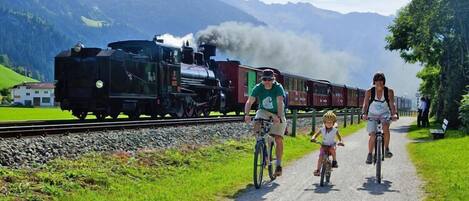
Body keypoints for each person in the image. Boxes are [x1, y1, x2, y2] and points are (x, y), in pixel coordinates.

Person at [244, 69, 287, 176]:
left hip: (278, 112)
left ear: (273, 80)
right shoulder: (258, 87)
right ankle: (262, 148)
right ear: (262, 80)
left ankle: (278, 165)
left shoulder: (278, 87)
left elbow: (280, 102)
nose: (267, 82)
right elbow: (250, 101)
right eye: (265, 79)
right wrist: (247, 114)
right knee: (257, 127)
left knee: (278, 138)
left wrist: (278, 117)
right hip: (263, 111)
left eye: (269, 80)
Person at [361, 72, 398, 164]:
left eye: (381, 80)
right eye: (377, 80)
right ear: (374, 82)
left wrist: (394, 114)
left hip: (384, 114)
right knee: (373, 135)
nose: (379, 82)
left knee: (385, 128)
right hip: (372, 114)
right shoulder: (369, 91)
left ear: (384, 81)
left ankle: (386, 149)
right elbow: (365, 104)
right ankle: (370, 154)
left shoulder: (389, 91)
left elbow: (392, 103)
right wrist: (364, 114)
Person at [311, 111, 344, 176]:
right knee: (320, 157)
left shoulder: (335, 130)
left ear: (333, 123)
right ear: (324, 123)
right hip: (323, 145)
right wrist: (313, 138)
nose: (329, 124)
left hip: (331, 145)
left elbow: (340, 137)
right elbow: (315, 135)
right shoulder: (322, 129)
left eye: (330, 122)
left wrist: (341, 142)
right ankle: (318, 170)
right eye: (327, 122)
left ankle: (334, 161)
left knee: (332, 149)